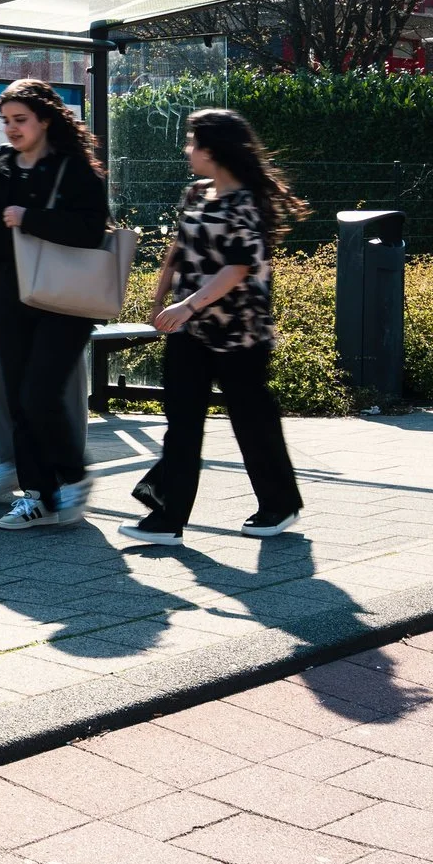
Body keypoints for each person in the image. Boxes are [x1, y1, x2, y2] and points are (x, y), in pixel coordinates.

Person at [120, 108, 309, 546]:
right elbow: (178, 249)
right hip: (191, 331)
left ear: (212, 150)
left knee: (251, 421)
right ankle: (167, 518)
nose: (187, 150)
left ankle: (279, 504)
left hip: (240, 333)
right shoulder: (197, 194)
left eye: (192, 143)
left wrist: (186, 305)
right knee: (182, 422)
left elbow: (239, 269)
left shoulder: (247, 203)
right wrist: (158, 298)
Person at [0, 80, 110, 530]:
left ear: (45, 119)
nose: (12, 129)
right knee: (20, 401)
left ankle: (74, 477)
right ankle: (39, 497)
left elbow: (90, 232)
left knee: (38, 393)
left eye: (20, 120)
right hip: (11, 296)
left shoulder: (75, 168)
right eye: (6, 121)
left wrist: (30, 218)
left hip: (65, 299)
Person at [0, 317, 88, 505]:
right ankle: (11, 462)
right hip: (4, 297)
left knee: (55, 382)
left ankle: (69, 472)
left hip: (59, 299)